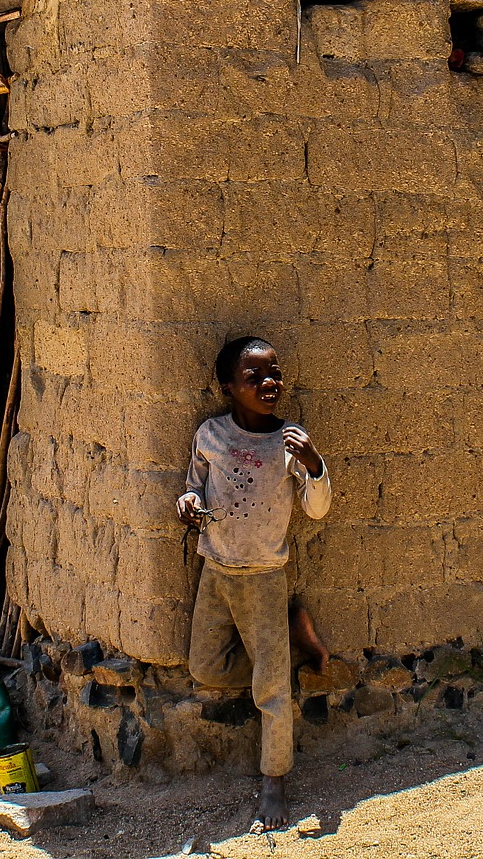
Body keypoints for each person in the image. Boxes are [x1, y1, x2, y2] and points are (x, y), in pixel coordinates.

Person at [177, 335, 331, 831]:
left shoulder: (289, 441)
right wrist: (188, 503)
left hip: (265, 576)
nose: (269, 384)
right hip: (216, 568)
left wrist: (314, 466)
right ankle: (292, 653)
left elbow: (317, 508)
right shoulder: (211, 435)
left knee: (271, 691)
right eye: (254, 377)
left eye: (275, 374)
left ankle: (274, 781)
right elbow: (194, 485)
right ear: (228, 387)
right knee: (205, 665)